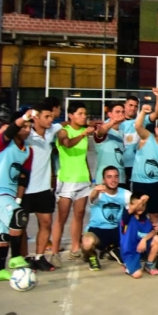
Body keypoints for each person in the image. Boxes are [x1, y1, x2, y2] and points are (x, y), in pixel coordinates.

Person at [0, 109, 34, 282]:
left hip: (9, 196)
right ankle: (16, 257)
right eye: (24, 126)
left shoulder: (28, 151)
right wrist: (25, 116)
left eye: (29, 126)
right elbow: (10, 131)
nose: (27, 129)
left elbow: (23, 179)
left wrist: (17, 199)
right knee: (19, 215)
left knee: (3, 233)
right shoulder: (1, 143)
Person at [51, 101, 95, 268]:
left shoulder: (84, 131)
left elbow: (83, 157)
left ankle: (75, 249)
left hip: (82, 180)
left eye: (85, 114)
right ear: (71, 115)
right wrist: (84, 135)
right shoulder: (63, 131)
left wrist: (89, 176)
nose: (84, 117)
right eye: (80, 114)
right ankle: (54, 252)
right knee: (61, 218)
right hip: (67, 180)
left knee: (79, 215)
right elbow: (67, 144)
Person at [21, 103, 61, 272]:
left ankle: (39, 257)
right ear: (35, 118)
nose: (51, 120)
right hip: (24, 189)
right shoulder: (25, 134)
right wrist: (24, 119)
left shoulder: (52, 130)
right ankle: (24, 258)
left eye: (51, 116)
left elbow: (66, 124)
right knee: (20, 226)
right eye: (47, 116)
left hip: (44, 189)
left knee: (46, 223)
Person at [81, 166, 131, 271]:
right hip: (97, 230)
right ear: (103, 180)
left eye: (116, 177)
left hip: (115, 230)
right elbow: (92, 198)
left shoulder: (126, 194)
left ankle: (112, 249)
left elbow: (132, 211)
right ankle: (92, 256)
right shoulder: (97, 193)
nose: (113, 180)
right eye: (109, 177)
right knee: (86, 243)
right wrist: (95, 190)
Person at [119, 193, 158, 278]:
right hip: (129, 253)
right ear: (131, 205)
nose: (140, 207)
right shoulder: (126, 218)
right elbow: (131, 210)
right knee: (138, 274)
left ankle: (148, 265)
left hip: (141, 249)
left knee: (157, 239)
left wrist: (144, 239)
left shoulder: (145, 219)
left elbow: (153, 231)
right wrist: (141, 200)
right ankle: (127, 265)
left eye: (143, 205)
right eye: (138, 204)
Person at [93, 102, 127, 187]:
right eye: (117, 112)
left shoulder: (122, 132)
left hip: (120, 178)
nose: (121, 114)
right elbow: (101, 131)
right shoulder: (103, 130)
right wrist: (113, 121)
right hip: (104, 180)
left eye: (122, 112)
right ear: (109, 114)